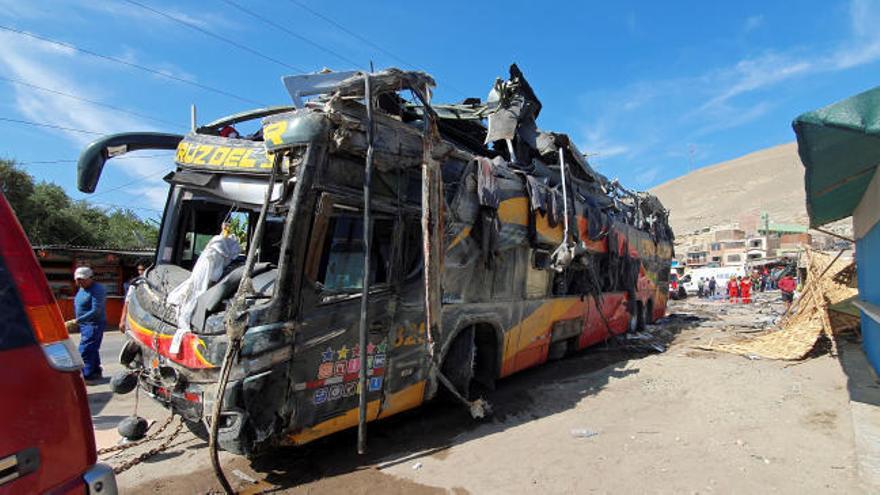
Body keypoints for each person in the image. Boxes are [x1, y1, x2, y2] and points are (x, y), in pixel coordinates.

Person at [72, 266, 106, 384]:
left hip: (93, 324)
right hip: (84, 324)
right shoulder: (82, 288)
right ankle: (96, 371)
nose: (79, 282)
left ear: (90, 278)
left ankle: (86, 375)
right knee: (92, 348)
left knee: (85, 349)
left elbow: (96, 310)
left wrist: (78, 320)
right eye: (78, 280)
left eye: (82, 279)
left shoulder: (97, 289)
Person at [119, 263, 146, 333]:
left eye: (142, 270)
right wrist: (123, 320)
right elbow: (127, 302)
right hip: (136, 317)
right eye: (139, 270)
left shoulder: (153, 283)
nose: (141, 272)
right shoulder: (135, 283)